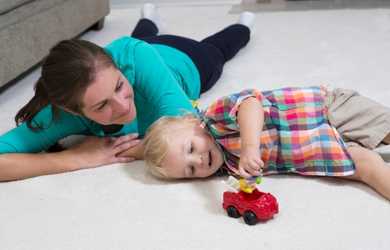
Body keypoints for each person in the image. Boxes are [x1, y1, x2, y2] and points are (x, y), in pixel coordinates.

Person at [0, 3, 255, 181]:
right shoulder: (62, 112)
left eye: (120, 86)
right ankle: (149, 20)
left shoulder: (132, 56)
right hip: (140, 53)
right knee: (141, 40)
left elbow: (186, 133)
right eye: (102, 106)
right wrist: (75, 158)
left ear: (116, 66)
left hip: (186, 61)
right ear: (72, 110)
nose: (122, 107)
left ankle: (244, 23)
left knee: (219, 48)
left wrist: (127, 148)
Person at [142, 86, 390, 200]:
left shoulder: (215, 118)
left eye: (191, 148)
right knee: (368, 168)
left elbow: (250, 104)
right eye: (190, 171)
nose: (198, 160)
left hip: (325, 109)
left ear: (192, 122)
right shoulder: (228, 166)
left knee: (384, 127)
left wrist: (250, 147)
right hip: (322, 150)